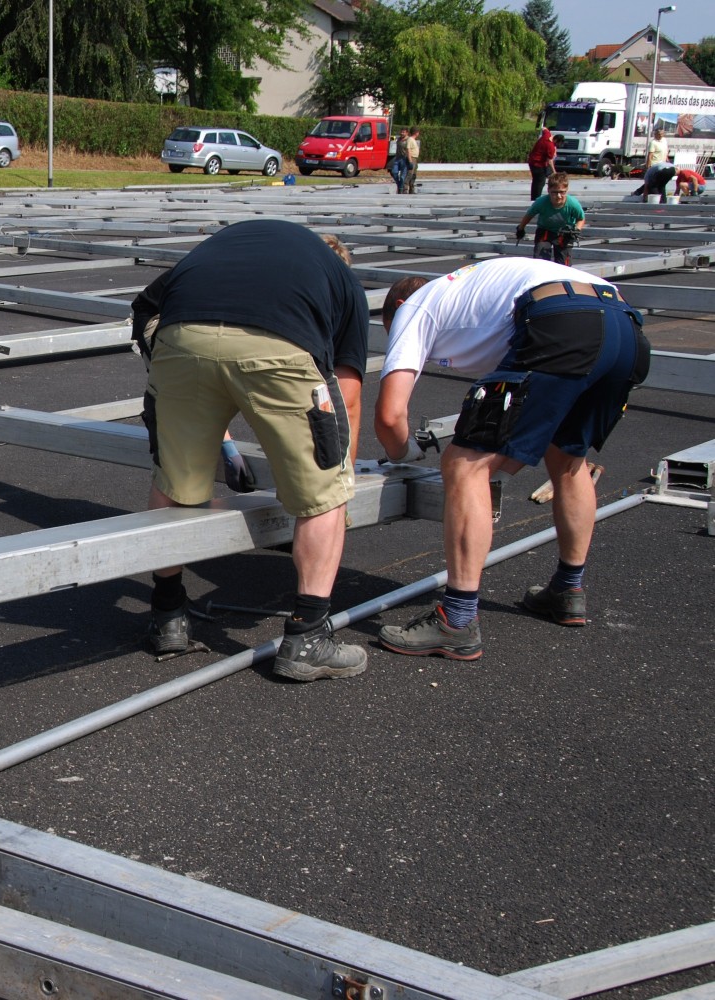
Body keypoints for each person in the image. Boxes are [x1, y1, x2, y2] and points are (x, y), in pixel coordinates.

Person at [374, 258, 648, 661]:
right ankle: (567, 590)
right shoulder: (471, 298)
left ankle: (457, 620)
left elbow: (389, 415)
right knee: (568, 457)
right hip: (624, 327)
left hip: (562, 321)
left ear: (397, 306)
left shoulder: (415, 306)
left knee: (464, 464)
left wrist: (403, 453)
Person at [131, 220, 370, 682]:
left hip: (181, 338)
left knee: (175, 481)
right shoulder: (343, 283)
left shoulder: (235, 245)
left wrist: (165, 373)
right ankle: (308, 638)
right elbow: (349, 392)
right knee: (322, 495)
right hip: (278, 345)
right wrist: (340, 473)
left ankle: (167, 616)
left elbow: (146, 306)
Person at [515, 172, 585, 266]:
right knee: (540, 260)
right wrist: (521, 228)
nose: (558, 196)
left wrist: (577, 229)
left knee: (564, 264)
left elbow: (581, 218)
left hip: (565, 233)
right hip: (545, 231)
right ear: (548, 190)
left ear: (566, 190)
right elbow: (529, 215)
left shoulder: (572, 203)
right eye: (555, 192)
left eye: (562, 192)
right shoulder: (541, 202)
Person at [527, 127, 557, 200]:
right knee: (540, 182)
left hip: (532, 162)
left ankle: (533, 197)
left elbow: (544, 128)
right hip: (538, 164)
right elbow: (550, 161)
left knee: (535, 181)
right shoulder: (550, 146)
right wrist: (554, 171)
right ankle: (536, 198)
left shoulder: (547, 135)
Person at [403, 127, 421, 195]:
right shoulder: (410, 139)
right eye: (418, 132)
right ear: (416, 133)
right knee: (410, 174)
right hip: (412, 158)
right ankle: (405, 189)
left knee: (414, 175)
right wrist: (410, 160)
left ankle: (411, 189)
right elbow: (408, 150)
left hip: (415, 158)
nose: (418, 133)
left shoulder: (413, 140)